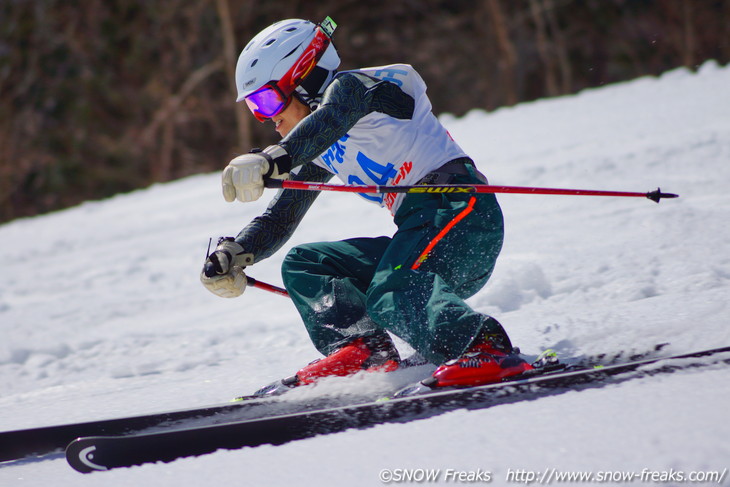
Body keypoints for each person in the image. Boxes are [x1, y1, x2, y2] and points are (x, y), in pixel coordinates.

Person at [201, 17, 533, 394]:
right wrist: (237, 253)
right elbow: (282, 215)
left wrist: (272, 159)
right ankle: (362, 349)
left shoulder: (356, 89)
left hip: (460, 213)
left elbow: (334, 115)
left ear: (305, 77)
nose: (267, 117)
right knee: (306, 263)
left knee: (392, 288)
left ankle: (483, 346)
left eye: (266, 100)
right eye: (255, 108)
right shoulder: (322, 145)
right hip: (420, 232)